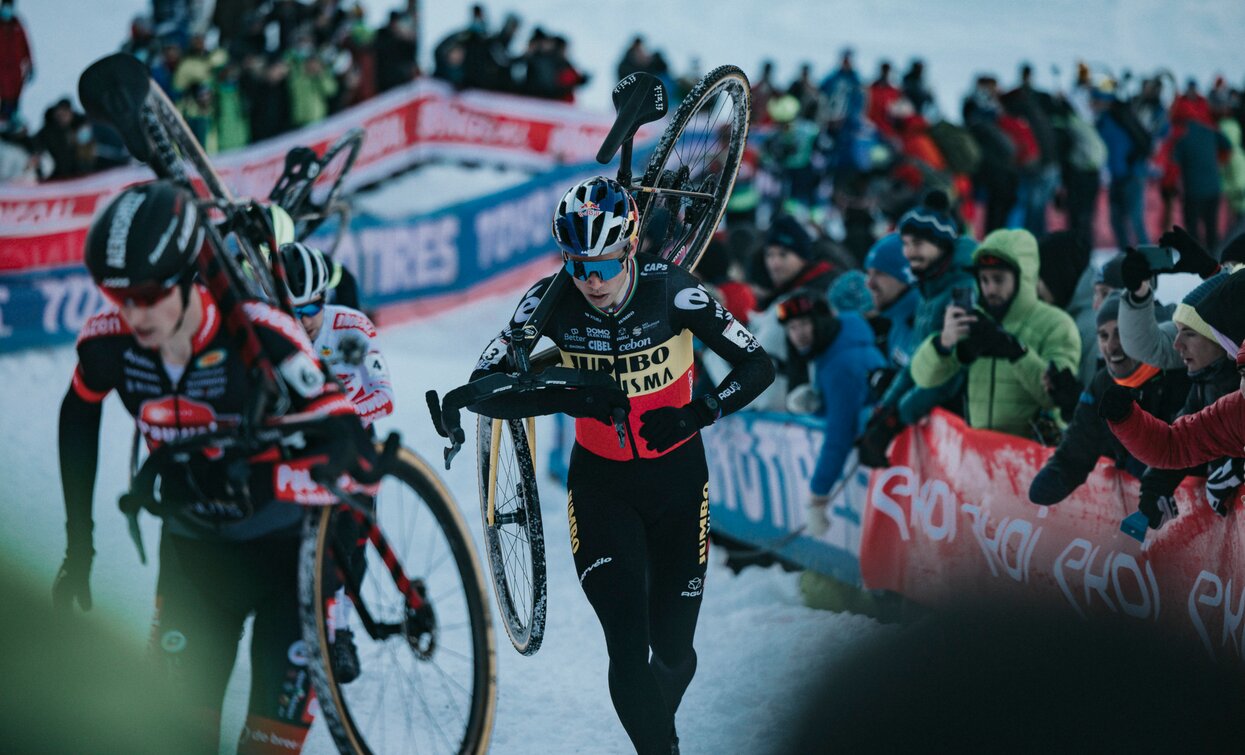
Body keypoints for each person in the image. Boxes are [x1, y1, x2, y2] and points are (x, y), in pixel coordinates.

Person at [55, 180, 368, 753]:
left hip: (288, 570)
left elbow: (346, 431)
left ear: (183, 277)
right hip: (193, 568)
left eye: (149, 295)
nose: (135, 314)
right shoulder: (108, 345)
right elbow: (77, 414)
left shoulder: (256, 332)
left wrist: (279, 475)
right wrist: (81, 544)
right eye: (118, 296)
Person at [469, 176, 774, 754]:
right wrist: (569, 390)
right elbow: (487, 386)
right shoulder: (548, 301)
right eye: (577, 265)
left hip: (679, 484)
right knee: (627, 641)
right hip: (601, 488)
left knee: (675, 651)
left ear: (630, 247)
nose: (591, 282)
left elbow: (759, 367)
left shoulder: (675, 293)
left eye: (604, 266)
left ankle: (653, 728)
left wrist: (699, 412)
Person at [909, 228, 1081, 439]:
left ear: (1023, 278)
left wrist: (1016, 353)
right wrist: (943, 343)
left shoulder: (1056, 324)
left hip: (1034, 457)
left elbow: (1058, 397)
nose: (990, 289)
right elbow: (923, 378)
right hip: (982, 456)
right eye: (984, 280)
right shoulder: (976, 321)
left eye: (998, 280)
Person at [1029, 293, 1190, 505]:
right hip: (1139, 510)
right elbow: (1080, 444)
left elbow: (1189, 444)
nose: (1112, 346)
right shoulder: (1103, 383)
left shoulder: (1180, 374)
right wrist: (1061, 471)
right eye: (1104, 336)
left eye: (1122, 333)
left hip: (1190, 506)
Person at [855, 190, 976, 467]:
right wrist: (884, 411)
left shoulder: (963, 289)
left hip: (964, 424)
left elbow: (950, 373)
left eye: (918, 244)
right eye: (906, 244)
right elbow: (918, 362)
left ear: (941, 243)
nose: (909, 252)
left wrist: (895, 419)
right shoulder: (929, 290)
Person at [777, 289, 884, 534]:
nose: (798, 334)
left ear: (819, 321)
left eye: (804, 323)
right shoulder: (836, 347)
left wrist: (817, 496)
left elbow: (840, 435)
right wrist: (819, 407)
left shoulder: (840, 363)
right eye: (792, 328)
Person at [0, 0, 33, 121]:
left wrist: (30, 64)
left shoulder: (18, 25)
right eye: (5, 7)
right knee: (4, 94)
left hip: (15, 69)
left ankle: (12, 118)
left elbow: (26, 45)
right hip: (2, 68)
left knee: (15, 94)